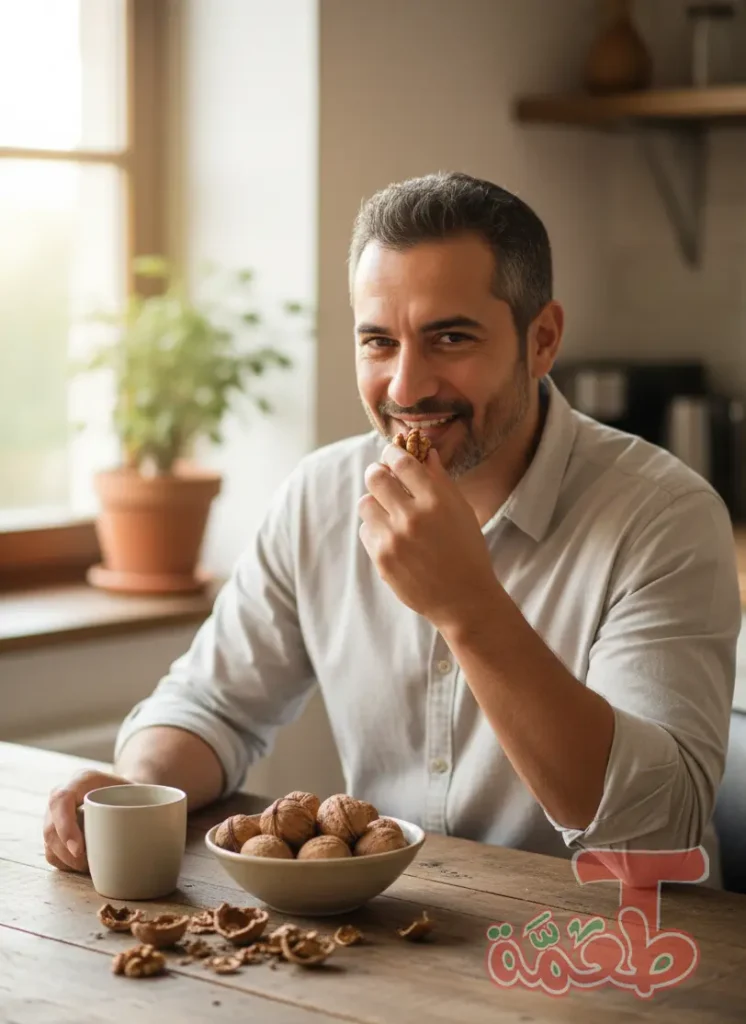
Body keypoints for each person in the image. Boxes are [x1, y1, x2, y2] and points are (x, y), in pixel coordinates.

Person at [43, 171, 740, 885]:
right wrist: (136, 791)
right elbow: (212, 704)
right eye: (378, 342)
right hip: (402, 945)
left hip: (616, 951)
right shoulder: (321, 496)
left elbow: (656, 834)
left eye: (450, 338)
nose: (406, 388)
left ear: (542, 340)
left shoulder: (664, 517)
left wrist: (468, 607)